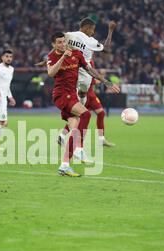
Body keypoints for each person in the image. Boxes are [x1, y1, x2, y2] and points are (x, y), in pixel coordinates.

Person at [47, 32, 119, 177]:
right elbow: (50, 73)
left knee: (74, 128)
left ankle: (64, 165)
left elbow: (89, 70)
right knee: (86, 114)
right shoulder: (52, 56)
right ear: (53, 45)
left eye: (63, 41)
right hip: (61, 94)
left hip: (72, 94)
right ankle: (80, 148)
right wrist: (63, 57)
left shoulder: (77, 54)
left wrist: (105, 81)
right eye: (58, 42)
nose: (62, 44)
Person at [59, 18, 117, 147]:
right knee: (83, 113)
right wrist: (110, 31)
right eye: (92, 29)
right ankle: (75, 143)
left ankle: (65, 135)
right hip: (84, 81)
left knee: (82, 111)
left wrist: (50, 58)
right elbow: (107, 49)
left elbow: (57, 41)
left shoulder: (69, 35)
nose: (93, 32)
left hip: (72, 74)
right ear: (86, 28)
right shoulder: (90, 43)